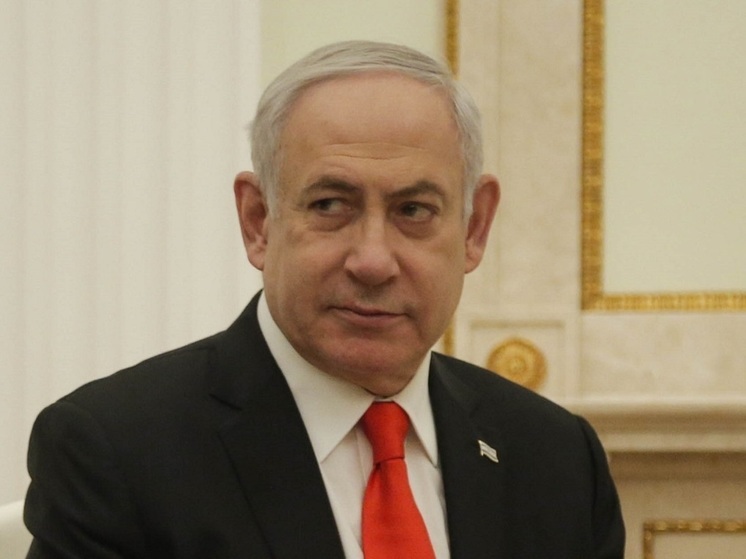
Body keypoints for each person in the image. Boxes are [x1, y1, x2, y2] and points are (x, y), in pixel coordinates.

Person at [23, 41, 625, 558]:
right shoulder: (115, 452)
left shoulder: (556, 459)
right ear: (258, 221)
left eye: (414, 211)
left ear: (474, 228)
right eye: (330, 205)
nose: (373, 260)